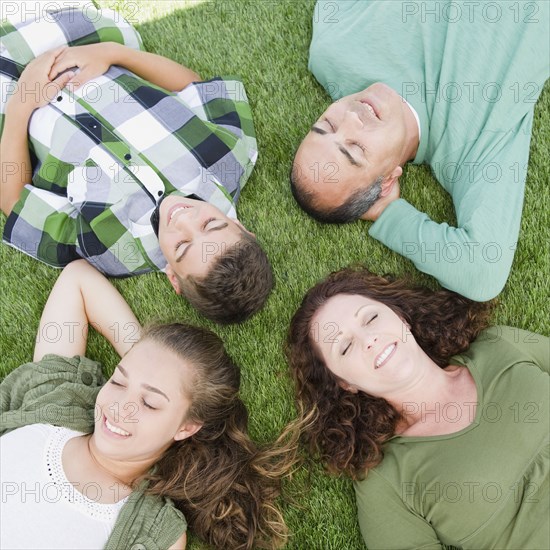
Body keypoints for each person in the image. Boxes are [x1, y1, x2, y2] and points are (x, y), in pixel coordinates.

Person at [0, 259, 299, 550]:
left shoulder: (154, 533)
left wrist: (157, 372)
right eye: (118, 381)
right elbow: (77, 280)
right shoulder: (58, 396)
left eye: (150, 403)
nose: (120, 407)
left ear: (186, 427)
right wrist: (149, 358)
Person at [0, 6, 272, 324]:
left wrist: (21, 103)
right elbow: (193, 88)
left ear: (174, 277)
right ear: (241, 228)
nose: (182, 220)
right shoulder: (231, 157)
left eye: (182, 246)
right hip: (77, 37)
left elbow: (14, 202)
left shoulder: (111, 250)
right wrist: (111, 53)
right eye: (210, 225)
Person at [291, 0, 550, 302]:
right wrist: (390, 214)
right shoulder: (470, 151)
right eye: (354, 149)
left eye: (327, 124)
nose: (351, 117)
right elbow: (482, 271)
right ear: (388, 180)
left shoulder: (333, 49)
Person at [286, 267, 549, 549]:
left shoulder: (500, 344)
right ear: (344, 383)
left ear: (401, 317)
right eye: (345, 347)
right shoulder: (385, 479)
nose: (369, 340)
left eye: (371, 318)